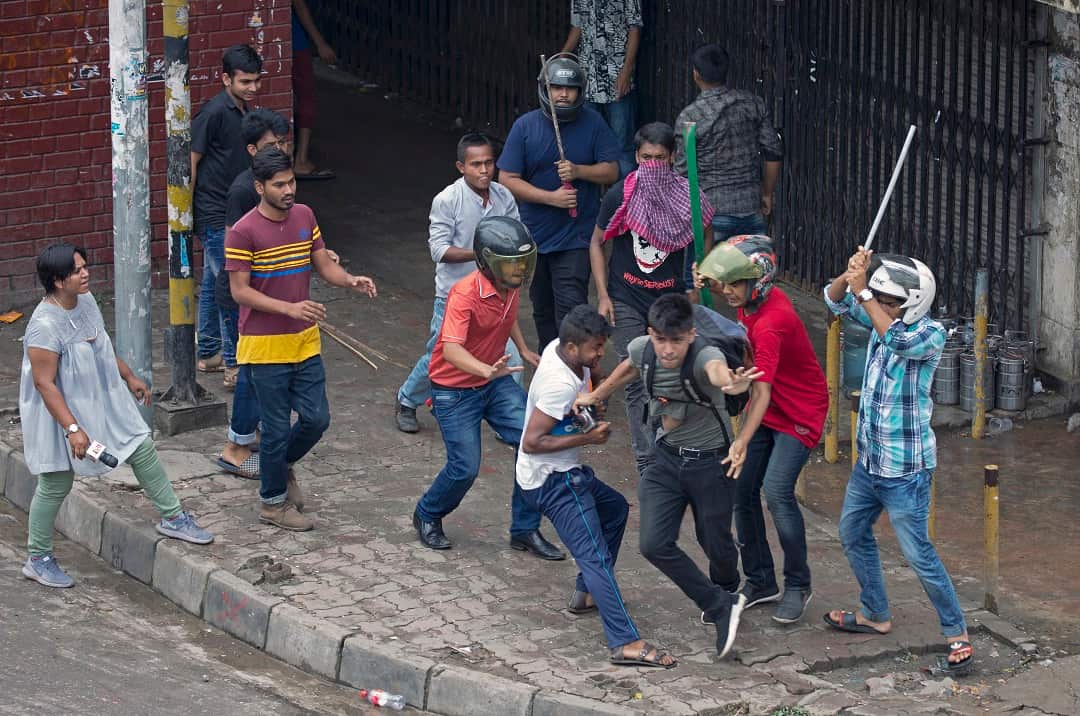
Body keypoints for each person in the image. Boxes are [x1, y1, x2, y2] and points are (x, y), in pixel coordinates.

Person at [575, 293, 762, 657]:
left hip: (712, 463)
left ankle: (727, 586)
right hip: (666, 461)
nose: (668, 350)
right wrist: (595, 395)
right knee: (652, 544)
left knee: (715, 543)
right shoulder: (644, 348)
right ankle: (720, 604)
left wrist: (732, 383)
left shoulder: (705, 355)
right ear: (651, 333)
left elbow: (718, 373)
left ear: (691, 335)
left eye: (676, 341)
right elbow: (628, 366)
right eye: (661, 339)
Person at [18, 245, 213, 588]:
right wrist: (73, 429)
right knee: (56, 482)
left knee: (140, 446)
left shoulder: (86, 301)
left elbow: (101, 345)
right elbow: (44, 383)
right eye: (77, 270)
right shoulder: (43, 326)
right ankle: (38, 558)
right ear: (57, 281)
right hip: (60, 412)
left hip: (102, 399)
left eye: (84, 266)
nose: (86, 273)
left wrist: (129, 376)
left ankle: (173, 517)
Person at [823, 247, 974, 676]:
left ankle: (956, 632)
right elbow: (834, 300)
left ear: (913, 303)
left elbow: (894, 337)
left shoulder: (929, 334)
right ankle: (875, 613)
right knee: (852, 533)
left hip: (905, 471)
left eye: (891, 302)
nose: (881, 306)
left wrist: (866, 294)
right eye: (881, 299)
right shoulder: (877, 313)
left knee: (918, 554)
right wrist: (850, 273)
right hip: (869, 462)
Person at [225, 147, 377, 531]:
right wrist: (289, 308)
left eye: (291, 181)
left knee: (317, 419)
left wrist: (350, 280)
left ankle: (278, 467)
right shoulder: (242, 231)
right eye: (279, 185)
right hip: (263, 348)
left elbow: (323, 263)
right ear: (260, 187)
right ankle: (272, 505)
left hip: (305, 343)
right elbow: (240, 292)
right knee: (275, 430)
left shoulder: (305, 216)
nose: (288, 190)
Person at [517, 305, 676, 669]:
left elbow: (590, 374)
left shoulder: (564, 349)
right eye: (595, 349)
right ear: (572, 348)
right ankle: (625, 642)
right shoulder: (558, 385)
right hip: (554, 481)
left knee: (615, 509)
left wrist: (594, 379)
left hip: (562, 473)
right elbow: (531, 442)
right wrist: (588, 439)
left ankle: (586, 594)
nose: (600, 354)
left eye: (602, 346)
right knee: (595, 557)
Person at [412, 216, 562, 561]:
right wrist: (485, 370)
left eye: (523, 263)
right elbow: (450, 349)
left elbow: (506, 320)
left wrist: (523, 349)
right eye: (511, 264)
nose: (519, 271)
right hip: (455, 389)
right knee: (464, 467)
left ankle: (524, 530)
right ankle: (427, 514)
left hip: (494, 382)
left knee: (533, 445)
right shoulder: (464, 293)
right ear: (486, 261)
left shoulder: (509, 287)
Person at [696, 236, 827, 624]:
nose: (729, 292)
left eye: (735, 285)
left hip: (798, 410)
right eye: (727, 284)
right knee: (741, 492)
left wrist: (741, 439)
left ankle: (798, 584)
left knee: (777, 492)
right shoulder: (753, 301)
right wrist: (706, 284)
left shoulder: (772, 323)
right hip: (769, 408)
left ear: (759, 282)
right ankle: (760, 581)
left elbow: (762, 391)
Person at [590, 121, 714, 476]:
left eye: (660, 158)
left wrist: (697, 275)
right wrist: (602, 295)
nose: (653, 165)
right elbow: (597, 242)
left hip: (669, 304)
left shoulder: (689, 199)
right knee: (636, 379)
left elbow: (705, 236)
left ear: (673, 158)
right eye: (646, 158)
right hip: (625, 298)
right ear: (636, 157)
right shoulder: (621, 196)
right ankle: (648, 462)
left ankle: (667, 445)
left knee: (671, 379)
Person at [394, 132, 525, 434]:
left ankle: (508, 421)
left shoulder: (504, 196)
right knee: (440, 356)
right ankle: (406, 400)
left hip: (495, 294)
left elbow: (518, 236)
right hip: (453, 295)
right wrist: (483, 254)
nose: (483, 170)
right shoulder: (447, 200)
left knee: (510, 359)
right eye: (476, 164)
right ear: (460, 166)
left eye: (488, 163)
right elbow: (438, 250)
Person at [498, 55, 620, 350]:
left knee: (572, 309)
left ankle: (576, 375)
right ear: (545, 89)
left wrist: (579, 171)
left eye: (570, 88)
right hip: (534, 238)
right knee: (542, 309)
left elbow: (612, 170)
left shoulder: (594, 123)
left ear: (580, 91)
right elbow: (507, 178)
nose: (563, 94)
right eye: (555, 87)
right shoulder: (525, 126)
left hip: (576, 237)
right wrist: (550, 198)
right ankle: (549, 370)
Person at [673, 44, 782, 286]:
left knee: (696, 284)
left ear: (696, 74)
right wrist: (767, 194)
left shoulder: (690, 116)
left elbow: (680, 173)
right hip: (750, 207)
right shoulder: (751, 104)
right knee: (756, 285)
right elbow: (773, 152)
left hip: (711, 215)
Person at [191, 44, 263, 385]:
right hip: (214, 212)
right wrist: (185, 214)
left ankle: (208, 353)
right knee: (229, 287)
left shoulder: (241, 111)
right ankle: (234, 364)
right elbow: (191, 161)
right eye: (245, 81)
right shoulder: (213, 113)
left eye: (256, 81)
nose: (252, 87)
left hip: (227, 210)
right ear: (225, 79)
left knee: (212, 282)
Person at [560, 0, 642, 177]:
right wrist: (561, 57)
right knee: (587, 139)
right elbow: (578, 26)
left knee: (622, 143)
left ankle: (623, 197)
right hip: (588, 78)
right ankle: (592, 197)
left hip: (616, 78)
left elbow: (634, 30)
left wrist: (626, 72)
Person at [291, 0, 337, 180]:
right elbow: (300, 6)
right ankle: (300, 159)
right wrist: (320, 42)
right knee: (306, 96)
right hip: (295, 41)